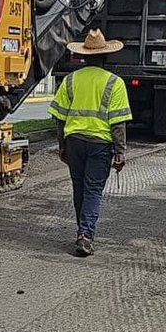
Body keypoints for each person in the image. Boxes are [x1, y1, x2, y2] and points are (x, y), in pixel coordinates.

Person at [48, 29, 132, 256]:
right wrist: (120, 152)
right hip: (100, 145)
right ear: (105, 57)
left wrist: (62, 145)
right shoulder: (114, 83)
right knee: (93, 190)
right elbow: (118, 123)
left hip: (74, 142)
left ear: (84, 56)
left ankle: (82, 232)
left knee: (80, 189)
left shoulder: (70, 80)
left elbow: (59, 118)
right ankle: (86, 235)